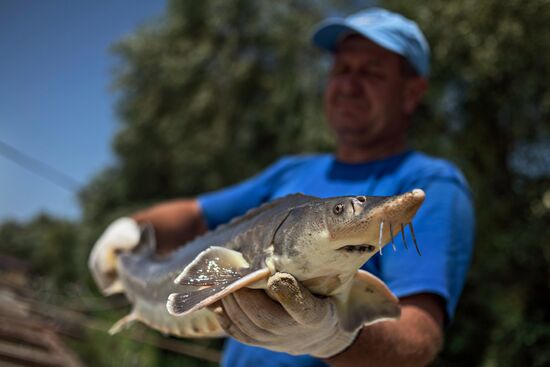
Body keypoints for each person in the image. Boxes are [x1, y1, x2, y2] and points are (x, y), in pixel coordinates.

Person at [92, 7, 475, 367]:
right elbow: (194, 215)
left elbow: (419, 337)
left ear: (411, 92)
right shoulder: (291, 171)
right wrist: (128, 231)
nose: (350, 85)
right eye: (342, 69)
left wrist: (334, 337)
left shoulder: (429, 183)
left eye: (372, 72)